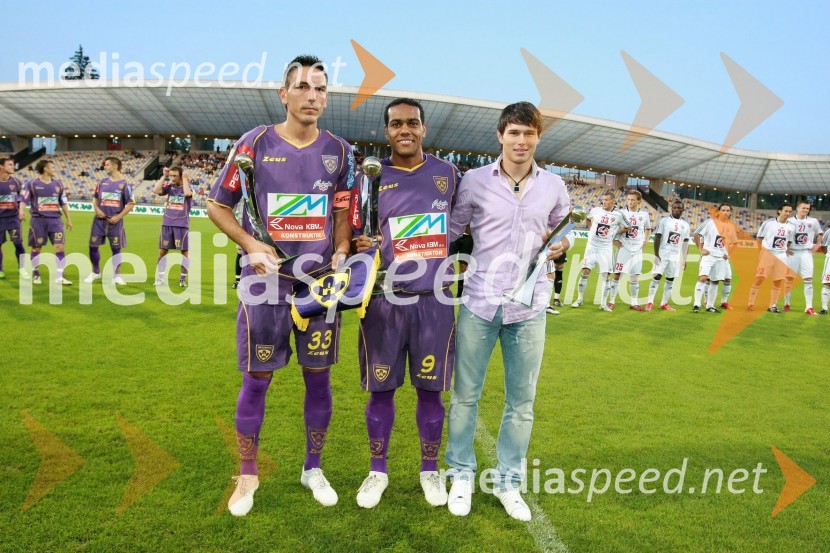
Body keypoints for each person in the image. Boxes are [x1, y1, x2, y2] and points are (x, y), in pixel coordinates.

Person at [207, 55, 354, 516]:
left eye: (321, 89)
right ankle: (247, 474)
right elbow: (218, 205)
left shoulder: (340, 151)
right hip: (264, 287)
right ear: (284, 93)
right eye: (304, 87)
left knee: (319, 378)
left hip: (319, 288)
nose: (313, 96)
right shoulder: (253, 143)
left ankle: (313, 467)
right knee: (257, 379)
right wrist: (251, 243)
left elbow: (343, 210)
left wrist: (344, 249)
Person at [446, 102, 570, 522]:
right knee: (465, 396)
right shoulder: (475, 181)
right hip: (480, 302)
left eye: (529, 134)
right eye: (514, 133)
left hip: (529, 308)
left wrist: (561, 245)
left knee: (522, 402)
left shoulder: (554, 185)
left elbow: (563, 231)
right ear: (500, 135)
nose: (521, 141)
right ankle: (460, 474)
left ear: (538, 137)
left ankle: (508, 482)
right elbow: (451, 229)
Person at [351, 98, 459, 509]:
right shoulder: (370, 177)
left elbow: (471, 225)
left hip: (434, 302)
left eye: (412, 123)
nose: (405, 130)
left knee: (430, 393)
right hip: (383, 301)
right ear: (387, 131)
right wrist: (361, 242)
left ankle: (430, 472)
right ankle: (377, 471)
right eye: (396, 124)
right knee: (381, 391)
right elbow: (355, 232)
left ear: (424, 128)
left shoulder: (448, 174)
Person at [571, 191, 630, 310]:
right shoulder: (595, 210)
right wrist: (591, 229)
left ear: (613, 201)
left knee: (606, 276)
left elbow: (628, 227)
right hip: (592, 247)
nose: (604, 202)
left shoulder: (618, 215)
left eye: (607, 200)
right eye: (603, 199)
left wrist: (614, 234)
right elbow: (587, 219)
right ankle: (580, 299)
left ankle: (603, 304)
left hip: (605, 248)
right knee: (585, 271)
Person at [84, 157, 135, 284]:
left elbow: (131, 203)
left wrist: (118, 216)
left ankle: (116, 276)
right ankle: (96, 272)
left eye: (107, 165)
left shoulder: (125, 185)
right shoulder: (102, 182)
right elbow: (95, 199)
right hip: (99, 221)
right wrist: (96, 209)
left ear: (115, 166)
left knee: (116, 249)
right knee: (92, 246)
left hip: (115, 223)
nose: (105, 167)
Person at [25, 159, 73, 285]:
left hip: (56, 221)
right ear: (45, 169)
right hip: (38, 221)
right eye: (52, 167)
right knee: (36, 248)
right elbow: (24, 200)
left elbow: (64, 203)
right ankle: (36, 274)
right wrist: (21, 211)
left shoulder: (59, 184)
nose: (54, 169)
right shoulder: (32, 184)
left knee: (59, 247)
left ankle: (59, 276)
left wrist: (68, 219)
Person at [608, 190, 651, 310]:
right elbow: (612, 229)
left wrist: (646, 240)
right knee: (617, 275)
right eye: (628, 199)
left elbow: (648, 229)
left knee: (635, 276)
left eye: (633, 200)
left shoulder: (644, 215)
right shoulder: (620, 213)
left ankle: (634, 303)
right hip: (624, 248)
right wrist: (614, 240)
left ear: (638, 201)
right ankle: (611, 301)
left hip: (637, 249)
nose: (630, 202)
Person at [748, 203, 795, 312]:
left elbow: (789, 241)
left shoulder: (791, 227)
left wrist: (784, 250)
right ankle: (751, 303)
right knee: (760, 278)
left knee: (778, 280)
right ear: (779, 211)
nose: (788, 213)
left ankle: (772, 306)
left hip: (782, 255)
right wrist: (762, 252)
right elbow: (759, 238)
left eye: (789, 211)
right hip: (768, 253)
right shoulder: (768, 223)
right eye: (786, 211)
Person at [645, 200, 690, 311]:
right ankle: (649, 302)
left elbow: (685, 243)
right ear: (671, 208)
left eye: (679, 208)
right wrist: (656, 255)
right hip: (663, 254)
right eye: (675, 207)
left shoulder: (685, 225)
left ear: (683, 210)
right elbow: (657, 237)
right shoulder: (664, 221)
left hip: (675, 256)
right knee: (657, 277)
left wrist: (684, 259)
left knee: (670, 280)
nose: (677, 209)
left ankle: (664, 303)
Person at [153, 166, 193, 287]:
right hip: (167, 223)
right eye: (171, 175)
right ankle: (160, 278)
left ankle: (182, 279)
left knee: (184, 253)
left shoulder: (188, 188)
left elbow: (187, 194)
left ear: (180, 176)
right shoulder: (169, 187)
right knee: (162, 251)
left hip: (181, 224)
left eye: (174, 176)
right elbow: (156, 190)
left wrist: (185, 179)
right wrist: (164, 176)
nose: (172, 178)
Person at [692, 205, 737, 313]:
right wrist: (701, 249)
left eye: (728, 211)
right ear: (718, 212)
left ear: (730, 212)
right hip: (709, 256)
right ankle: (697, 304)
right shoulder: (710, 222)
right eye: (723, 210)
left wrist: (729, 254)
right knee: (703, 278)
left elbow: (735, 243)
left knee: (715, 281)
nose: (725, 212)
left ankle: (710, 306)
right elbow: (696, 234)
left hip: (721, 258)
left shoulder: (731, 226)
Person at [784, 200, 823, 315]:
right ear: (797, 208)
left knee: (808, 279)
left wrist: (817, 246)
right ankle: (787, 303)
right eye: (803, 208)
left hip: (806, 253)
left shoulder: (813, 221)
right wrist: (785, 248)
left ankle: (809, 307)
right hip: (793, 253)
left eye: (807, 208)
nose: (806, 210)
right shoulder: (789, 221)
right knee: (789, 279)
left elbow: (820, 234)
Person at [0, 157, 28, 279]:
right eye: (10, 165)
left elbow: (21, 199)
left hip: (13, 219)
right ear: (2, 166)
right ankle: (0, 270)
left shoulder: (17, 182)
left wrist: (21, 211)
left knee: (18, 243)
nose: (13, 167)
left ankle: (22, 268)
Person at [820, 230, 830, 315]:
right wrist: (828, 254)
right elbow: (823, 245)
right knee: (827, 283)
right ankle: (824, 308)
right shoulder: (829, 232)